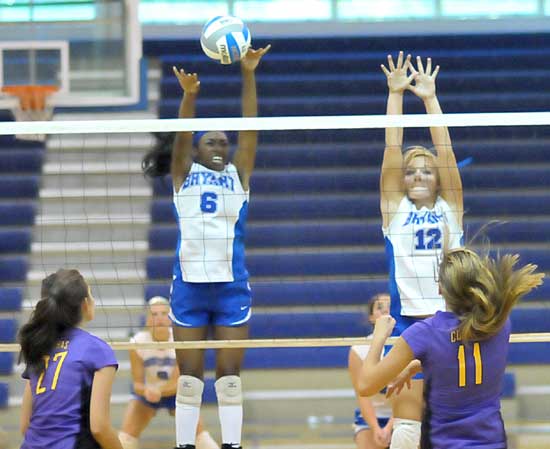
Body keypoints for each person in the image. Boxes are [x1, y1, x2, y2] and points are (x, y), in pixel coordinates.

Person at [142, 44, 270, 449]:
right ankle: (185, 445)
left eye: (223, 142)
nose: (220, 146)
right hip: (190, 287)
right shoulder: (183, 175)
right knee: (191, 380)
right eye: (211, 142)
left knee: (230, 380)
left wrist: (248, 73)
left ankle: (232, 445)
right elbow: (181, 135)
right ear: (196, 149)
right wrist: (189, 96)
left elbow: (250, 127)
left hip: (231, 285)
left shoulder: (239, 174)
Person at [359, 248, 544, 449]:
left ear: (440, 288)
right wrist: (417, 366)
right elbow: (464, 355)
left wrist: (378, 338)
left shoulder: (425, 333)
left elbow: (366, 385)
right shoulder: (499, 324)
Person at [379, 51, 464, 449]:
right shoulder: (394, 211)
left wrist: (430, 99)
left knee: (451, 416)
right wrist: (395, 94)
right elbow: (391, 150)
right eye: (411, 170)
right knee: (407, 419)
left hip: (451, 320)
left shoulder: (451, 210)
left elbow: (445, 153)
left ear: (437, 180)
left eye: (425, 170)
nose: (417, 174)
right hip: (407, 321)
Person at [18, 269, 122, 449]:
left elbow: (25, 425)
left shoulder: (39, 345)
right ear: (84, 304)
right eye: (91, 294)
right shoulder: (97, 350)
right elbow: (99, 428)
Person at [118, 297, 219, 449]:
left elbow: (178, 382)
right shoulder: (137, 343)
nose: (159, 318)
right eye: (154, 314)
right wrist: (146, 390)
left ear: (171, 319)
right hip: (148, 394)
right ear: (146, 320)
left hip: (177, 392)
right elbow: (137, 384)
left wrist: (158, 391)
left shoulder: (180, 341)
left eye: (164, 313)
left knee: (201, 438)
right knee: (125, 439)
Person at [348, 293, 393, 449]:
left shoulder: (407, 344)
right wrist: (376, 428)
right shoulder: (358, 349)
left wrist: (389, 427)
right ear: (371, 317)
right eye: (380, 307)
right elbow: (362, 395)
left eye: (390, 306)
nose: (386, 310)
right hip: (371, 417)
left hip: (403, 415)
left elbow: (411, 394)